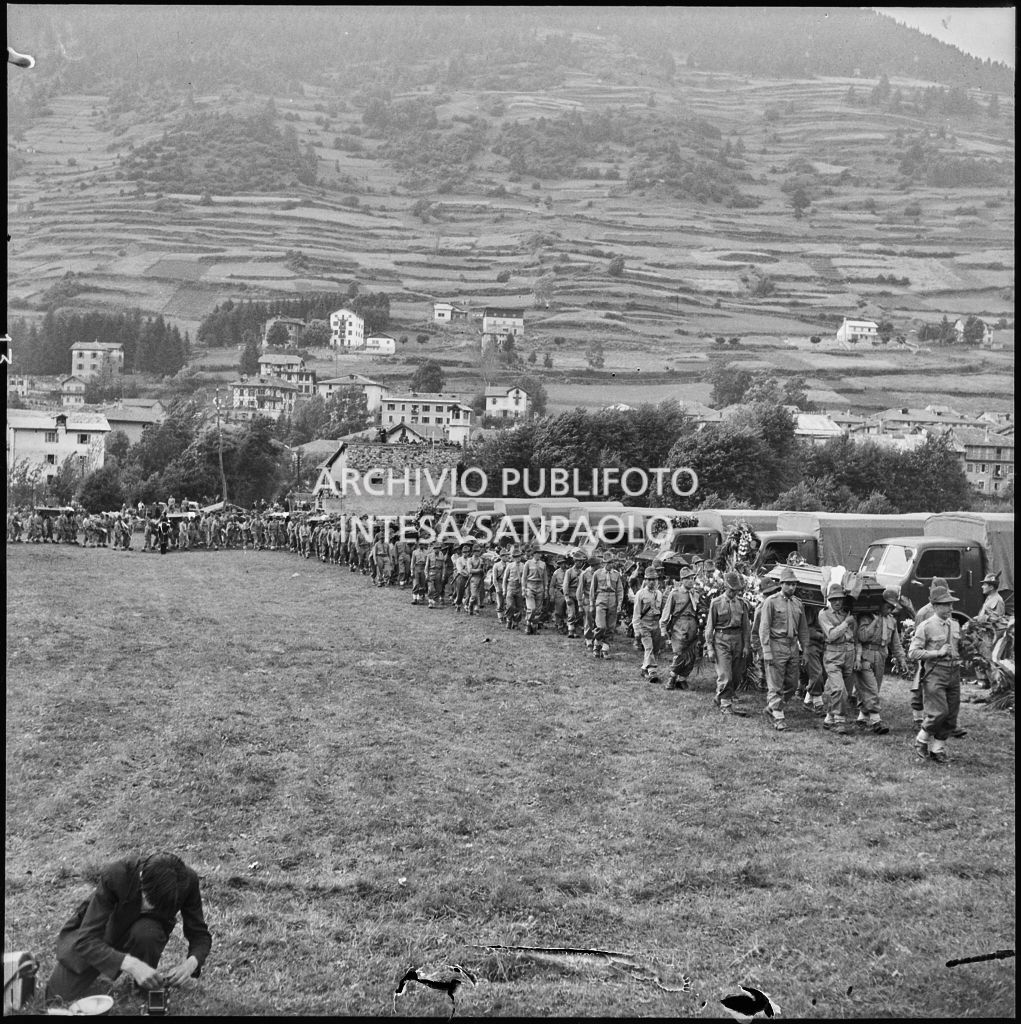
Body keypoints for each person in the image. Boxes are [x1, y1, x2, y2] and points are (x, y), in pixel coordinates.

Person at [45, 853, 212, 1007]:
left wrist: (191, 964)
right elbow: (86, 939)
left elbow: (200, 935)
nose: (149, 907)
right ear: (141, 878)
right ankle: (111, 969)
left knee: (148, 932)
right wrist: (131, 964)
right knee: (57, 995)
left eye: (157, 906)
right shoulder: (117, 874)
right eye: (148, 899)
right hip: (103, 933)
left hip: (145, 933)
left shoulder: (186, 882)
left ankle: (144, 986)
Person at [909, 584, 963, 764]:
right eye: (945, 604)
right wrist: (936, 653)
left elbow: (958, 648)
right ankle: (921, 740)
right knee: (939, 712)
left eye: (951, 604)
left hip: (953, 672)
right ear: (934, 606)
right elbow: (913, 652)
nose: (950, 608)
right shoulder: (926, 626)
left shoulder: (955, 625)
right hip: (935, 673)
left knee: (951, 714)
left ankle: (937, 749)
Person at [759, 566, 809, 732]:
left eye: (794, 584)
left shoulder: (798, 604)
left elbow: (803, 629)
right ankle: (778, 717)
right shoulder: (771, 602)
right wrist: (766, 651)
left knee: (792, 684)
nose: (791, 587)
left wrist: (805, 651)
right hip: (776, 645)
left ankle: (773, 708)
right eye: (788, 584)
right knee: (775, 684)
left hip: (792, 646)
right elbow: (764, 628)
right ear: (781, 584)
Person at [851, 588, 907, 735]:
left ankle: (862, 718)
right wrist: (874, 622)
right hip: (866, 656)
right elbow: (862, 637)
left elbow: (895, 643)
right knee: (871, 688)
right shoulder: (866, 617)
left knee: (873, 687)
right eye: (888, 606)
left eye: (892, 607)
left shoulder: (891, 621)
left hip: (881, 656)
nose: (890, 609)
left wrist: (901, 659)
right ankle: (876, 720)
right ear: (880, 603)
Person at [705, 571, 751, 715]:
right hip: (721, 640)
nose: (733, 593)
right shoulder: (716, 603)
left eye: (736, 590)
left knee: (736, 676)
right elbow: (709, 626)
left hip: (737, 640)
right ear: (725, 587)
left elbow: (746, 627)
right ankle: (726, 705)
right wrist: (710, 647)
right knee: (726, 674)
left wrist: (746, 645)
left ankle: (721, 697)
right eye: (731, 590)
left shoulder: (742, 604)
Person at [817, 583, 859, 736]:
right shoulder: (824, 614)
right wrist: (846, 623)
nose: (837, 602)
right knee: (838, 689)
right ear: (829, 600)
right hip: (833, 655)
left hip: (849, 653)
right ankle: (839, 720)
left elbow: (855, 636)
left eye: (840, 599)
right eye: (834, 599)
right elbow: (832, 635)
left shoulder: (848, 613)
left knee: (844, 691)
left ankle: (829, 717)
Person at [659, 566, 700, 691]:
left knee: (691, 654)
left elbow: (700, 611)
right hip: (679, 626)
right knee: (680, 652)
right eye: (687, 578)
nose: (691, 581)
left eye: (692, 578)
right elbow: (667, 611)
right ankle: (672, 677)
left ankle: (682, 679)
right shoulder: (675, 593)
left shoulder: (696, 593)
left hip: (693, 625)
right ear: (682, 580)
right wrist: (663, 628)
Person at [971, 573, 1006, 687]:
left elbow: (997, 619)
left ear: (991, 587)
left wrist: (981, 618)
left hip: (992, 634)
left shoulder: (997, 600)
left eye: (984, 584)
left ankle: (994, 684)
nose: (982, 587)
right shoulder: (990, 598)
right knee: (983, 657)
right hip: (985, 633)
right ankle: (985, 680)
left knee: (990, 659)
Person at [632, 566, 664, 683]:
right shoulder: (640, 594)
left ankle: (644, 668)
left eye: (654, 580)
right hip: (644, 625)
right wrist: (636, 630)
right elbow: (636, 613)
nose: (652, 582)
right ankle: (652, 672)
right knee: (649, 647)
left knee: (655, 649)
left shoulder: (659, 594)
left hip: (656, 625)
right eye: (649, 579)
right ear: (645, 580)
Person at [590, 551, 624, 659]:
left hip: (613, 599)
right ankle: (596, 643)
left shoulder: (616, 574)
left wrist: (619, 604)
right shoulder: (597, 573)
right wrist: (591, 604)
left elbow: (619, 590)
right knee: (601, 626)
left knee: (610, 627)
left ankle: (605, 648)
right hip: (601, 598)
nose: (610, 564)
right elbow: (592, 590)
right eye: (608, 563)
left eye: (612, 562)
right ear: (604, 563)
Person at [522, 546, 548, 635]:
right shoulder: (528, 563)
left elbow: (545, 577)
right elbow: (524, 577)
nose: (538, 555)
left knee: (538, 610)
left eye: (539, 553)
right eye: (537, 553)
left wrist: (546, 589)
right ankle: (528, 624)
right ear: (533, 554)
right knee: (531, 608)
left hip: (540, 586)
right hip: (530, 586)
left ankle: (534, 628)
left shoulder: (543, 564)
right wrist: (523, 588)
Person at [563, 550, 586, 638]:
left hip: (579, 595)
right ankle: (570, 630)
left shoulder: (583, 572)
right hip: (571, 594)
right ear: (575, 561)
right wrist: (566, 597)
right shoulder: (569, 571)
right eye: (578, 561)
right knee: (571, 613)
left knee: (579, 613)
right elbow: (565, 584)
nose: (580, 563)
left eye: (581, 561)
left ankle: (575, 630)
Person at [503, 546, 525, 630]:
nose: (517, 558)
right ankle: (509, 620)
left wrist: (524, 589)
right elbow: (505, 578)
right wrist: (504, 589)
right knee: (510, 605)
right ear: (513, 558)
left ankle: (516, 623)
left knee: (520, 607)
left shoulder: (523, 565)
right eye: (515, 557)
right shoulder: (509, 565)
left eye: (519, 556)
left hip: (519, 587)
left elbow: (525, 578)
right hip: (511, 586)